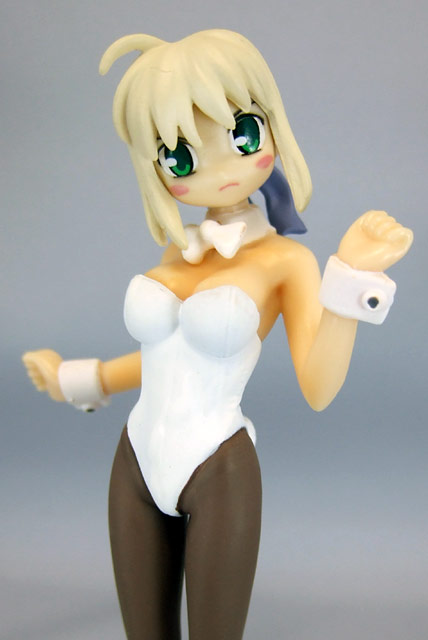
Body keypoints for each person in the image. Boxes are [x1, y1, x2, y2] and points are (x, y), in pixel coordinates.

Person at [23, 29, 413, 640]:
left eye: (243, 135)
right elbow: (162, 358)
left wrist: (351, 277)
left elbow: (317, 387)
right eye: (179, 157)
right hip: (134, 460)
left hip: (218, 468)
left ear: (272, 127)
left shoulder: (286, 263)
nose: (219, 168)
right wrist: (78, 379)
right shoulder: (178, 252)